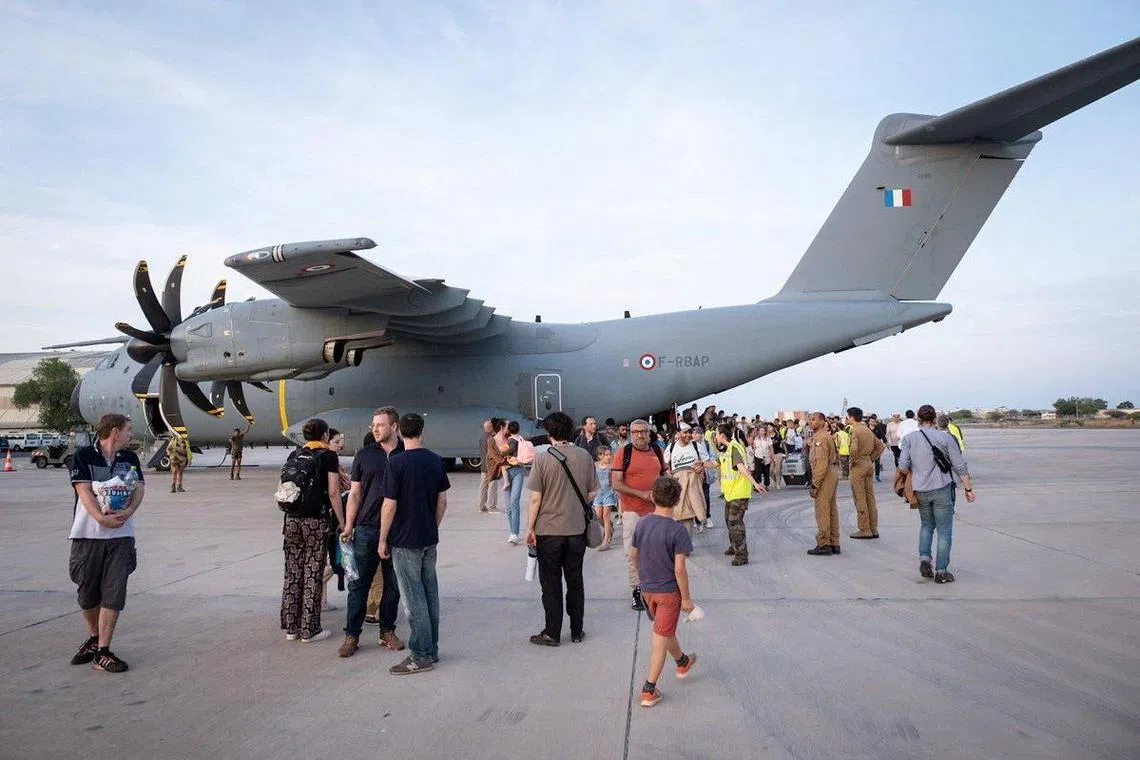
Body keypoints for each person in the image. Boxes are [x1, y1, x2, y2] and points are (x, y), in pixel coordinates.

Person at [67, 413, 145, 673]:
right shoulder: (83, 456)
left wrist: (128, 512)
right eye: (128, 430)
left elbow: (140, 489)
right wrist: (101, 518)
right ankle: (94, 637)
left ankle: (103, 651)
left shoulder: (130, 459)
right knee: (87, 594)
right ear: (114, 431)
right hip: (88, 536)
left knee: (114, 593)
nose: (131, 434)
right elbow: (84, 491)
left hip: (121, 537)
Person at [380, 413, 450, 674]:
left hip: (404, 539)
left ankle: (420, 654)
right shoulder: (435, 461)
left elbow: (389, 505)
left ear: (400, 433)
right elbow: (442, 501)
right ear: (422, 431)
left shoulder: (396, 463)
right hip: (428, 538)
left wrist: (382, 538)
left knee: (413, 598)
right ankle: (431, 649)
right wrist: (432, 526)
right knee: (430, 593)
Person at [525, 411, 599, 646]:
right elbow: (594, 491)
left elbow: (535, 499)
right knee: (575, 580)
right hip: (576, 529)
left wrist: (530, 528)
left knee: (551, 584)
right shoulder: (584, 456)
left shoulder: (543, 459)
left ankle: (552, 633)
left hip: (549, 530)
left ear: (549, 434)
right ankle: (577, 630)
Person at [337, 408, 406, 658]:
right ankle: (351, 635)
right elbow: (354, 494)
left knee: (393, 586)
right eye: (373, 425)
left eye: (380, 425)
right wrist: (348, 525)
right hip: (366, 530)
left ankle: (387, 631)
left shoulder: (405, 453)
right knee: (358, 585)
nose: (375, 429)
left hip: (398, 532)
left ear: (395, 427)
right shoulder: (365, 455)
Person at [630, 476, 698, 708]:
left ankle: (682, 661)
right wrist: (687, 599)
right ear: (677, 501)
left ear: (652, 496)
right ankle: (649, 689)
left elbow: (634, 556)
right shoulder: (678, 531)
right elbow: (679, 569)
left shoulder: (642, 524)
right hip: (669, 593)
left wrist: (642, 579)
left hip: (648, 590)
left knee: (663, 630)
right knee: (660, 640)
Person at [281, 418, 345, 643]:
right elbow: (334, 492)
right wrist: (343, 523)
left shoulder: (294, 455)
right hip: (315, 521)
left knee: (292, 571)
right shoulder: (328, 456)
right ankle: (310, 629)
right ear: (325, 435)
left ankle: (291, 627)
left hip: (291, 520)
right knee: (312, 572)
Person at [898, 405, 975, 583]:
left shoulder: (909, 438)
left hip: (921, 489)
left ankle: (925, 559)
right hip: (942, 489)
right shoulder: (946, 437)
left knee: (926, 526)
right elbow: (959, 465)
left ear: (918, 418)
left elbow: (902, 466)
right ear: (934, 418)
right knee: (944, 531)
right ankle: (941, 571)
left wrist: (917, 470)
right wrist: (968, 489)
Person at [611, 419, 667, 611]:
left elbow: (665, 476)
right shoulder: (623, 453)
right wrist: (642, 494)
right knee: (633, 552)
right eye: (635, 432)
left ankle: (654, 589)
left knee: (656, 551)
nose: (639, 435)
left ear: (649, 433)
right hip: (632, 510)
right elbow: (616, 483)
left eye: (643, 431)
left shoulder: (657, 451)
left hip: (656, 511)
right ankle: (637, 591)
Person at [716, 423, 767, 566]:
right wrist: (702, 464)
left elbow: (742, 468)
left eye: (716, 433)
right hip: (731, 493)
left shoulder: (734, 448)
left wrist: (755, 484)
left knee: (735, 523)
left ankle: (741, 555)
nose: (715, 436)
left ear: (722, 436)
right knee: (728, 520)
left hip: (739, 493)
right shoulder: (727, 449)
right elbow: (717, 463)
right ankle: (734, 546)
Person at [662, 423, 712, 534]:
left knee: (688, 517)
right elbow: (664, 465)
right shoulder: (672, 447)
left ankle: (685, 547)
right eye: (685, 432)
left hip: (694, 486)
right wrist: (669, 475)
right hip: (678, 488)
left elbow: (707, 462)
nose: (688, 435)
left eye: (690, 432)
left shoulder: (696, 446)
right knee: (679, 516)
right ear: (678, 433)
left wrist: (702, 467)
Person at [846, 407, 886, 539]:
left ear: (852, 417)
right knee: (870, 497)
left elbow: (853, 449)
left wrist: (853, 461)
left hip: (859, 466)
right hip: (868, 464)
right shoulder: (868, 430)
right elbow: (880, 446)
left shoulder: (854, 430)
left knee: (859, 498)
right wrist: (871, 459)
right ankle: (873, 528)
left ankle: (864, 528)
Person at [806, 412, 840, 555]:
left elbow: (821, 463)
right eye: (810, 420)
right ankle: (834, 542)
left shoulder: (820, 438)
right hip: (830, 473)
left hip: (824, 475)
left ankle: (824, 543)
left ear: (822, 421)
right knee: (831, 509)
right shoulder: (824, 436)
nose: (811, 422)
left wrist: (815, 484)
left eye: (814, 420)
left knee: (823, 510)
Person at [593, 447, 617, 549]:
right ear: (600, 456)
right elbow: (592, 478)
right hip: (598, 493)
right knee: (598, 516)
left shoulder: (612, 467)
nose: (608, 457)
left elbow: (615, 480)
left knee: (606, 516)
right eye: (606, 455)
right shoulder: (595, 466)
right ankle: (610, 527)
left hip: (609, 492)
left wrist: (615, 491)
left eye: (609, 454)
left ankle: (606, 541)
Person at [476, 419, 499, 513]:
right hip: (491, 466)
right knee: (492, 486)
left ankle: (481, 506)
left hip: (484, 465)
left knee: (483, 486)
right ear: (491, 427)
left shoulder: (482, 437)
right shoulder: (492, 438)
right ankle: (492, 507)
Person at [870, 414, 887, 482]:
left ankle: (877, 475)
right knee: (869, 462)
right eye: (871, 421)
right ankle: (869, 475)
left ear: (875, 422)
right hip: (868, 446)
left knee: (877, 461)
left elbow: (883, 435)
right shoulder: (867, 428)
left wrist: (886, 442)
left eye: (873, 421)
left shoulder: (878, 427)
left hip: (877, 446)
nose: (872, 423)